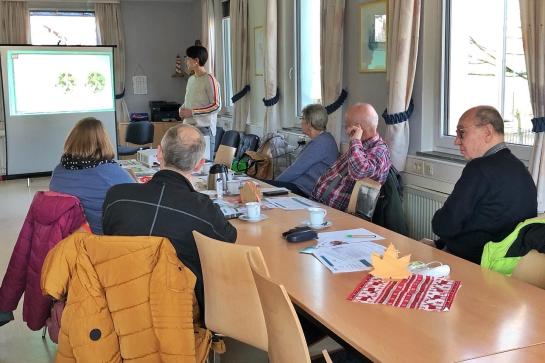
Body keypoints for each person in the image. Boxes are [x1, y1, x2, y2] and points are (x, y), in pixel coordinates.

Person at [102, 124, 237, 315]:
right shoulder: (203, 209)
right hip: (178, 310)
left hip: (120, 300)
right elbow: (229, 239)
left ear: (158, 153)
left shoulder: (116, 196)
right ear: (199, 165)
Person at [432, 105, 537, 264]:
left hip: (473, 264)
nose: (456, 141)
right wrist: (439, 243)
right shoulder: (520, 168)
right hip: (508, 264)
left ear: (488, 132)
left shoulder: (479, 168)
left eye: (462, 132)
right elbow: (483, 221)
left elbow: (444, 225)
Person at [49, 117, 134, 234]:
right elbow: (135, 200)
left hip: (68, 240)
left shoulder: (58, 172)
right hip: (103, 240)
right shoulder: (112, 173)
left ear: (72, 140)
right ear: (103, 141)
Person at [311, 103, 391, 211]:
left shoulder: (380, 151)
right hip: (319, 206)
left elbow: (359, 172)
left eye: (346, 125)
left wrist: (355, 140)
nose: (346, 130)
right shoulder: (360, 145)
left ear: (357, 128)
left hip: (339, 215)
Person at [267, 104, 338, 197]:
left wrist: (271, 185)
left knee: (260, 185)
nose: (301, 122)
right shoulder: (325, 139)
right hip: (299, 185)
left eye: (302, 119)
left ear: (309, 123)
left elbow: (296, 170)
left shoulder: (321, 143)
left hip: (303, 189)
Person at [179, 41, 221, 160]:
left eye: (188, 59)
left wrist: (192, 112)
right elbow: (189, 100)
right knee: (188, 166)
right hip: (188, 128)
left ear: (196, 61)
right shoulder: (191, 79)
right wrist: (181, 108)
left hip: (204, 130)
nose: (186, 61)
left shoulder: (210, 79)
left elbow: (216, 105)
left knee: (203, 167)